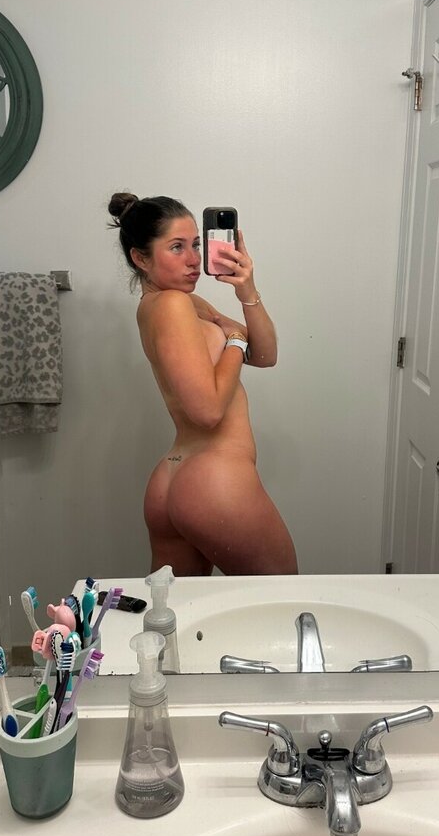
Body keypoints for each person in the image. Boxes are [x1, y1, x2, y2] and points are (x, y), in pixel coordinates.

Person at [108, 192, 298, 577]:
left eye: (196, 244)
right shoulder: (173, 306)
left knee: (179, 610)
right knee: (281, 600)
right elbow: (208, 411)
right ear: (140, 258)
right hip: (214, 478)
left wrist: (247, 291)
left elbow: (264, 353)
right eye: (176, 247)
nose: (194, 259)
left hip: (172, 477)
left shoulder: (170, 304)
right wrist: (235, 342)